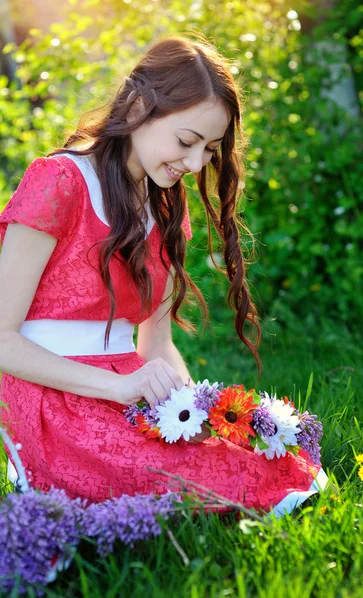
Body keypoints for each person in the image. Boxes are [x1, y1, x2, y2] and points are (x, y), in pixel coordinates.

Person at [0, 34, 326, 513]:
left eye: (210, 149)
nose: (195, 164)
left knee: (252, 453)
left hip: (125, 387)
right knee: (188, 475)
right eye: (186, 141)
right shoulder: (60, 182)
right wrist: (117, 387)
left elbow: (157, 346)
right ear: (136, 109)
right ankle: (37, 470)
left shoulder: (165, 205)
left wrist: (192, 414)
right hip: (52, 397)